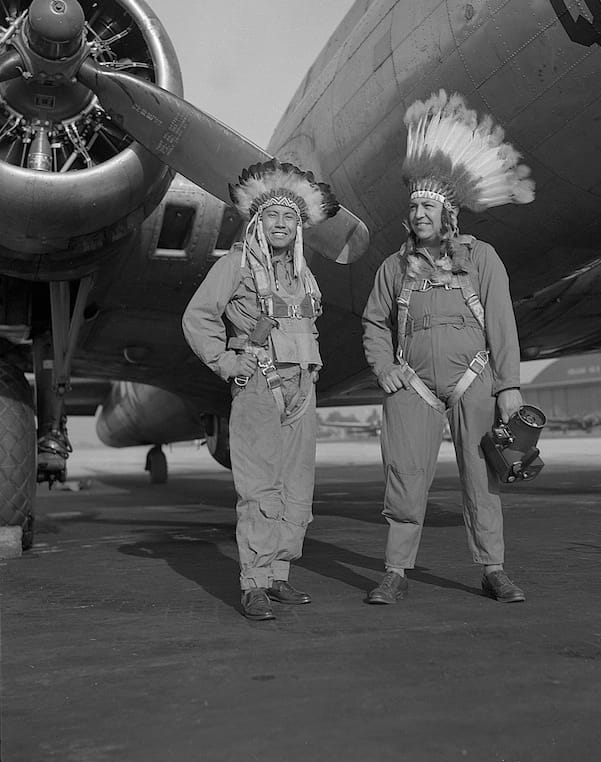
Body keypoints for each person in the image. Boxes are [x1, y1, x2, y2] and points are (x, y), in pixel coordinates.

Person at [362, 90, 535, 605]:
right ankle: (395, 571)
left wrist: (509, 389)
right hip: (411, 386)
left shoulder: (482, 259)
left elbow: (502, 325)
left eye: (428, 206)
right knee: (404, 477)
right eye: (413, 205)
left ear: (448, 214)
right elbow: (374, 324)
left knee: (483, 477)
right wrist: (384, 368)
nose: (419, 213)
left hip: (475, 381)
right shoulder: (393, 268)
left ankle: (493, 568)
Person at [182, 159, 339, 620]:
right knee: (259, 490)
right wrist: (229, 363)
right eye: (272, 216)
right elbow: (197, 318)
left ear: (299, 227)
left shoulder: (303, 276)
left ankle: (278, 576)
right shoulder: (235, 266)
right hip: (259, 386)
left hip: (302, 390)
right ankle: (253, 582)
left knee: (297, 490)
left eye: (289, 217)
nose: (281, 224)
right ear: (257, 221)